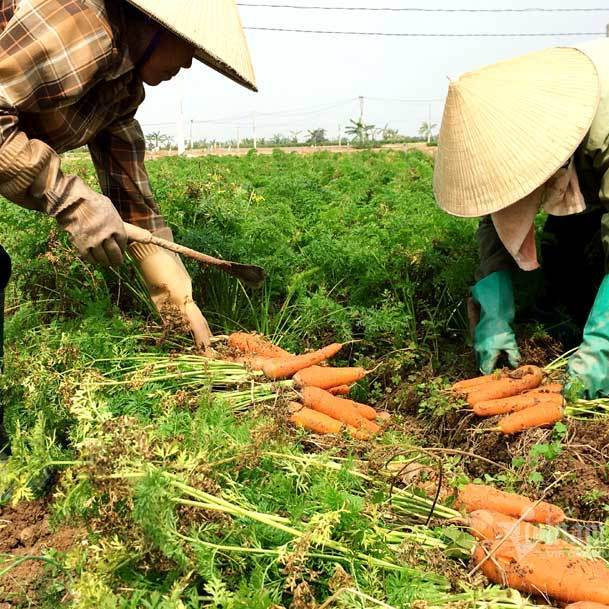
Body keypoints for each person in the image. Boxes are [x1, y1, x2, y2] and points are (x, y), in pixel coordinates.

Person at [0, 0, 257, 349]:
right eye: (189, 45)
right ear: (156, 24)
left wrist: (177, 299)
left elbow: (130, 196)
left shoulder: (121, 90)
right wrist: (71, 200)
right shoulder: (85, 28)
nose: (187, 62)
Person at [433, 39, 609, 398]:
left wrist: (602, 344)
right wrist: (493, 309)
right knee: (561, 256)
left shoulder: (602, 133)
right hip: (579, 168)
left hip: (596, 156)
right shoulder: (509, 120)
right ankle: (567, 320)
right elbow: (499, 212)